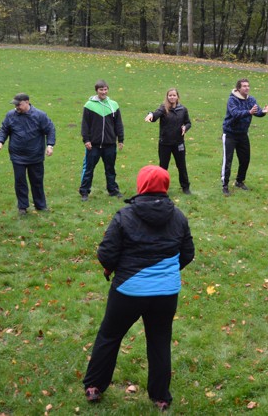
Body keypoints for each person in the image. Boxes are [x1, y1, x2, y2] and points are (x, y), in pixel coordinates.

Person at [83, 166, 195, 410]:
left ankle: (94, 385)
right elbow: (187, 254)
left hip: (129, 291)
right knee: (159, 340)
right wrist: (164, 274)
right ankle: (161, 396)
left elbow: (106, 253)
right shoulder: (178, 217)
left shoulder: (124, 215)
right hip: (165, 294)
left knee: (109, 336)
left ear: (141, 185)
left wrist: (111, 269)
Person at [0, 93, 56, 214]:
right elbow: (4, 129)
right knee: (20, 181)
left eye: (19, 104)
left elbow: (50, 130)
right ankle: (22, 206)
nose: (17, 107)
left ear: (27, 102)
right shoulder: (10, 115)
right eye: (15, 104)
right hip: (17, 156)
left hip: (35, 155)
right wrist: (0, 141)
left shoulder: (40, 115)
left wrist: (50, 145)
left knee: (37, 181)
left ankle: (40, 205)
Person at [221, 78, 268, 196]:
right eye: (244, 86)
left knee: (245, 159)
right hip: (230, 134)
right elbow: (235, 114)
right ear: (238, 88)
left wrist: (263, 112)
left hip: (243, 134)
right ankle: (225, 185)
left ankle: (239, 181)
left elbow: (256, 112)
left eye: (248, 86)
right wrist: (249, 112)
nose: (247, 88)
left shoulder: (251, 99)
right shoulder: (232, 100)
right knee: (228, 161)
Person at [79, 80, 124, 201]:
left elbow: (118, 124)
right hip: (93, 144)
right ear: (96, 91)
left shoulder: (113, 105)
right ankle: (84, 192)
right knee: (89, 169)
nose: (103, 92)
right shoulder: (89, 105)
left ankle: (113, 190)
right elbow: (85, 125)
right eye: (101, 90)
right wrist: (86, 140)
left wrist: (120, 139)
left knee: (110, 169)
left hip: (109, 144)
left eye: (105, 89)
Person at [145, 88, 192, 194]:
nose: (172, 97)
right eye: (170, 95)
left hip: (178, 143)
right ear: (167, 97)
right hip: (165, 143)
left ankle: (185, 187)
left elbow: (188, 122)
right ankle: (161, 188)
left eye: (174, 95)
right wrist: (150, 115)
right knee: (163, 167)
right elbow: (155, 115)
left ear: (177, 97)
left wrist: (185, 127)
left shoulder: (183, 110)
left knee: (181, 165)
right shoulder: (163, 108)